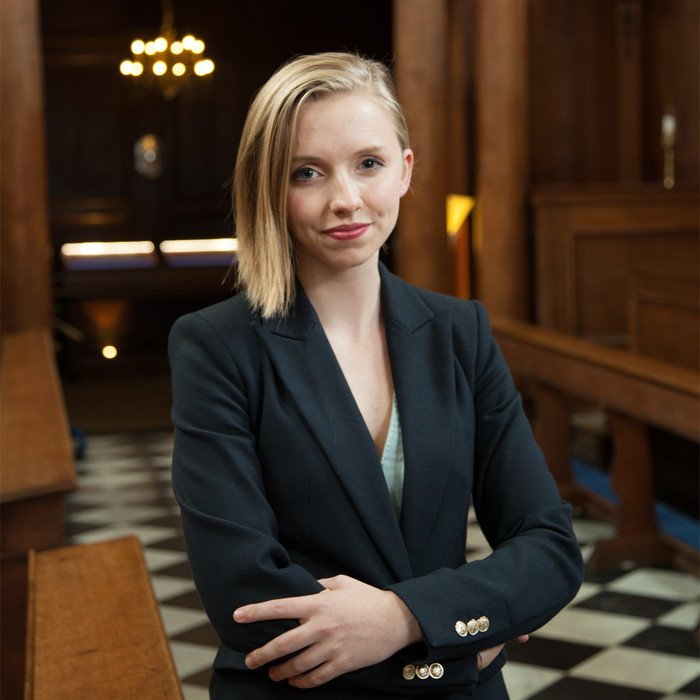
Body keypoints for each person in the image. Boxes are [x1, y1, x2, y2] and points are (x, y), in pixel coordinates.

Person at [169, 51, 584, 699]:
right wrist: (464, 626)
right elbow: (242, 596)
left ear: (404, 171)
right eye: (307, 173)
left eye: (369, 163)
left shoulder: (460, 332)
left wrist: (403, 619)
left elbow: (549, 548)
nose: (345, 199)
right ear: (271, 190)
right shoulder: (214, 346)